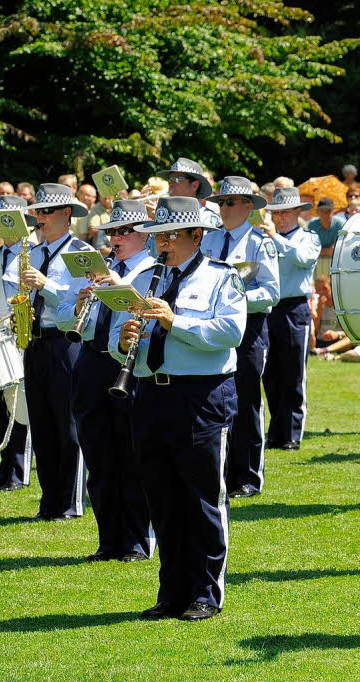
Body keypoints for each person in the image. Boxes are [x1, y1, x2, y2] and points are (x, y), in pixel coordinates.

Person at [110, 195, 245, 621]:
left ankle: (205, 593)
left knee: (202, 498)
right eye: (157, 235)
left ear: (196, 235)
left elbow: (231, 332)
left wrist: (174, 321)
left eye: (170, 236)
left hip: (201, 396)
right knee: (162, 497)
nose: (161, 243)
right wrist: (123, 342)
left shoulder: (222, 278)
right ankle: (171, 592)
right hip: (151, 393)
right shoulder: (146, 279)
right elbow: (119, 335)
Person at [57, 200, 156, 561]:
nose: (115, 238)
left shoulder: (151, 270)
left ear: (143, 235)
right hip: (90, 363)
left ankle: (136, 541)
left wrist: (118, 285)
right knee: (98, 455)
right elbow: (67, 320)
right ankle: (108, 539)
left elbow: (142, 313)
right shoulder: (101, 270)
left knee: (130, 454)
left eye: (123, 231)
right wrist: (81, 300)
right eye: (112, 232)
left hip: (127, 365)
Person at [10, 183, 94, 520]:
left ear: (67, 214)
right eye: (38, 212)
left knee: (68, 423)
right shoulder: (35, 251)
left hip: (66, 342)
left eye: (47, 212)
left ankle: (71, 501)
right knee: (42, 424)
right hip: (36, 341)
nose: (40, 218)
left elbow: (80, 297)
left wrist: (46, 285)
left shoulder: (80, 252)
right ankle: (50, 501)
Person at [200, 176, 280, 498]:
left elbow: (272, 292)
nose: (224, 208)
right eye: (221, 202)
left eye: (230, 202)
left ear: (248, 207)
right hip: (215, 328)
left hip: (249, 329)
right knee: (220, 399)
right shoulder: (207, 240)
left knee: (247, 401)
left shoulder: (260, 242)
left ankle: (248, 476)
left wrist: (235, 301)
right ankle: (223, 469)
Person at [262, 187, 321, 451]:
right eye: (277, 213)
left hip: (294, 308)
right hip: (269, 308)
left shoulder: (308, 237)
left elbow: (303, 258)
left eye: (286, 212)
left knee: (293, 373)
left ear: (298, 213)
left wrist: (276, 239)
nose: (281, 217)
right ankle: (276, 430)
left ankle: (293, 433)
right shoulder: (267, 238)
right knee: (270, 374)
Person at [0, 196, 33, 492]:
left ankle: (18, 471)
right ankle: (5, 469)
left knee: (18, 405)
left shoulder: (31, 257)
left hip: (18, 336)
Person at [156, 157, 222, 228]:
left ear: (194, 186)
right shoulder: (164, 213)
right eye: (170, 178)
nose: (170, 183)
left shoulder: (208, 219)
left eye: (177, 179)